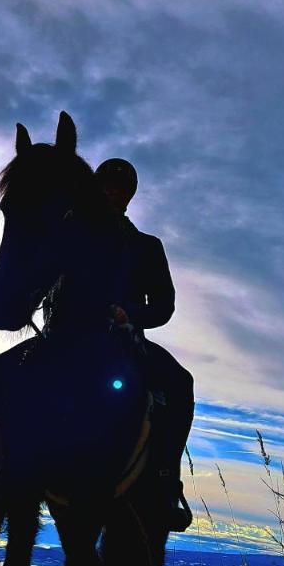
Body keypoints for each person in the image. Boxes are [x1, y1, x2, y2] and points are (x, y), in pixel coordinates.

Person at [94, 158, 194, 532]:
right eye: (106, 186)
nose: (113, 193)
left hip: (125, 339)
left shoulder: (147, 247)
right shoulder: (73, 237)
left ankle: (167, 476)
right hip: (71, 333)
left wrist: (128, 314)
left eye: (120, 189)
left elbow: (163, 306)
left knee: (180, 383)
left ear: (129, 196)